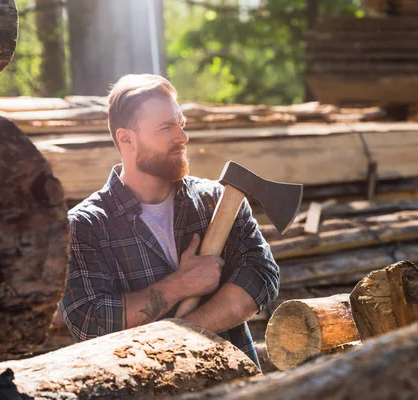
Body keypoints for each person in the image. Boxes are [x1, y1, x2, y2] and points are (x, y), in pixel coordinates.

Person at [59, 74, 279, 367]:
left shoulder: (218, 201)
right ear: (126, 138)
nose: (182, 137)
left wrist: (187, 330)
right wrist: (181, 285)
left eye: (181, 124)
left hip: (236, 383)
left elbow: (261, 276)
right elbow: (90, 321)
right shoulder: (84, 226)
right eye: (166, 128)